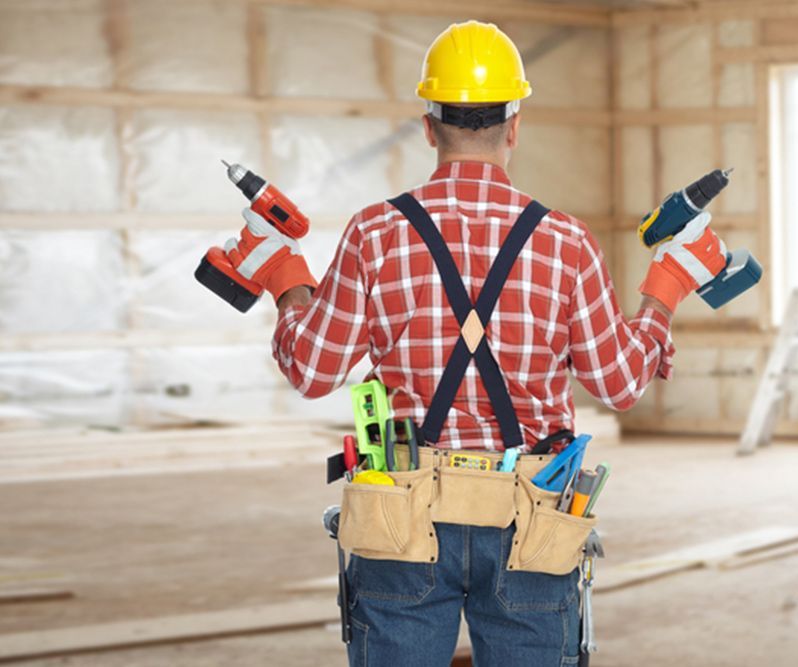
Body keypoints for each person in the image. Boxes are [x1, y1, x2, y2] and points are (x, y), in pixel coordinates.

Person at [222, 19, 727, 667]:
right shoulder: (565, 243)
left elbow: (313, 368)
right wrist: (667, 286)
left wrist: (286, 278)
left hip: (403, 517)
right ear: (514, 125)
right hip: (533, 518)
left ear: (429, 126)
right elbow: (621, 383)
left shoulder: (375, 233)